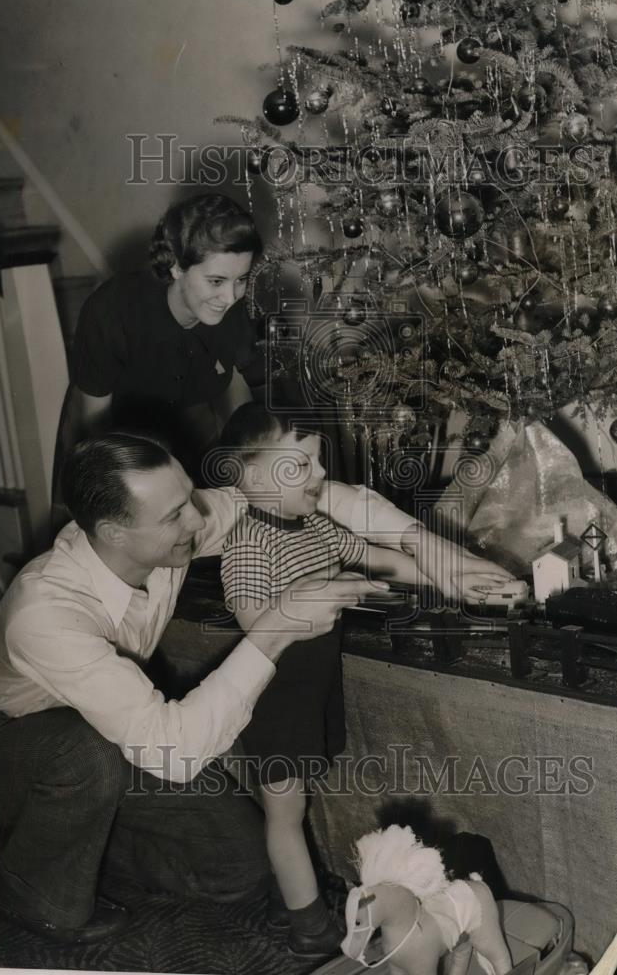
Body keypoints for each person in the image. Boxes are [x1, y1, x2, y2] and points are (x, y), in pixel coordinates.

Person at [0, 433, 513, 947]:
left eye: (190, 496)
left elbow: (323, 494)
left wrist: (435, 551)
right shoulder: (46, 613)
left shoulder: (163, 525)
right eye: (174, 515)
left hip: (111, 738)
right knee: (81, 753)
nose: (198, 519)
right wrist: (278, 626)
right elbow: (179, 748)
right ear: (113, 532)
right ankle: (28, 890)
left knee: (239, 869)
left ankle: (89, 835)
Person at [218, 403, 402, 959]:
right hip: (274, 696)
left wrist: (446, 572)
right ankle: (308, 926)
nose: (321, 476)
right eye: (300, 465)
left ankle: (291, 893)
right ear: (250, 477)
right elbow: (256, 621)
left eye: (318, 463)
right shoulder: (249, 542)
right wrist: (325, 588)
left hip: (312, 691)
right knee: (284, 811)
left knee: (294, 802)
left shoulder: (316, 528)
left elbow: (372, 556)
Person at [66, 193, 265, 477]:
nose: (230, 296)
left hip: (193, 433)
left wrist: (249, 463)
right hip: (115, 439)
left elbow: (239, 398)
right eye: (216, 281)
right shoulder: (111, 310)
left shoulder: (231, 311)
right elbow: (95, 426)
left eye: (241, 279)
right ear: (176, 266)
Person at [341, 824, 512, 975]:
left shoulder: (415, 949)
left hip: (471, 902)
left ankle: (505, 969)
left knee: (494, 951)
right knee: (459, 950)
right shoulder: (392, 939)